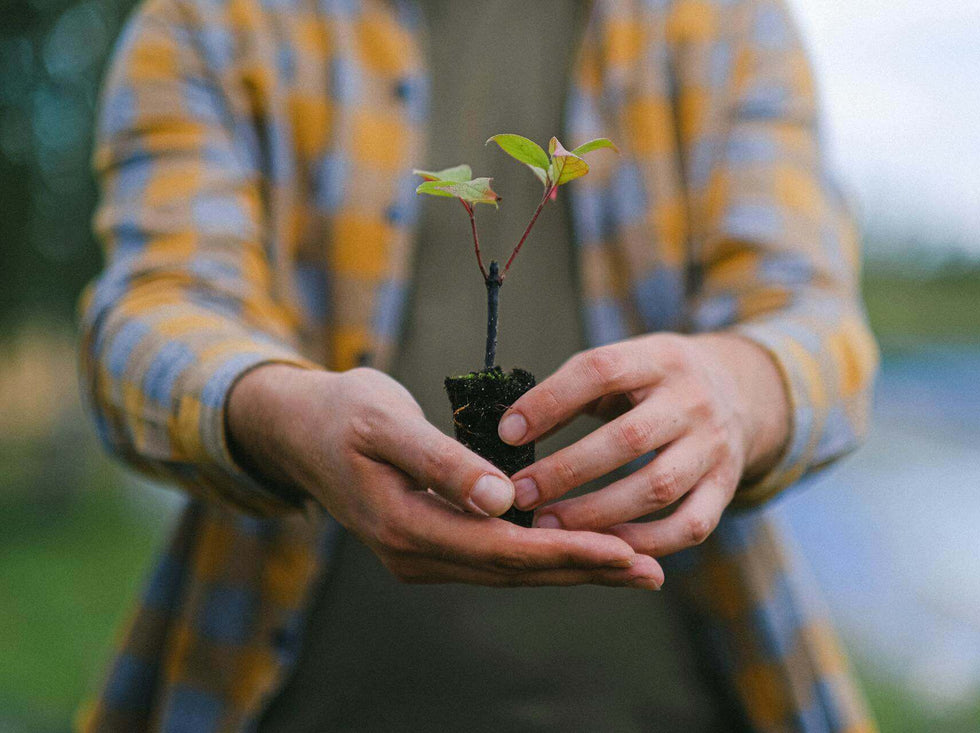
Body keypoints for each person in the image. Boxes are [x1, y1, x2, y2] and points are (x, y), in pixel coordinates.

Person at [77, 0, 879, 730]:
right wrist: (276, 413)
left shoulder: (719, 19)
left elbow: (815, 319)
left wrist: (737, 387)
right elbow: (151, 313)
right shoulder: (217, 18)